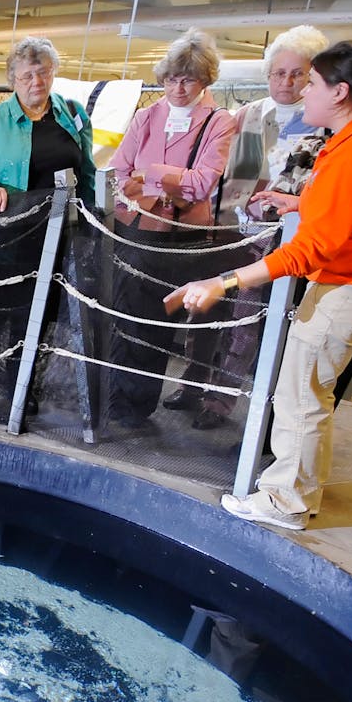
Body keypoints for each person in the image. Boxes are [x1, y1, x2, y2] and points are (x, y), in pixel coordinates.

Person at [167, 37, 352, 530]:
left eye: (311, 82)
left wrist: (224, 281)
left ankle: (284, 502)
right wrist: (303, 204)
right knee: (309, 393)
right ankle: (298, 493)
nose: (301, 91)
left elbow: (311, 250)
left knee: (300, 396)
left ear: (341, 92)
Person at [166, 25, 330, 431]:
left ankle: (219, 401)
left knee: (246, 322)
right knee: (204, 312)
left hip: (278, 244)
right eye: (278, 72)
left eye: (297, 74)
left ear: (312, 78)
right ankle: (193, 382)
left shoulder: (326, 129)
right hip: (225, 232)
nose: (286, 82)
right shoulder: (248, 115)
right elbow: (221, 175)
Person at [0, 35, 95, 412]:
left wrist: (91, 223)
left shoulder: (72, 114)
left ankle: (22, 385)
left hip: (52, 241)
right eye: (28, 75)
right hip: (0, 243)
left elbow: (89, 174)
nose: (37, 82)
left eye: (44, 73)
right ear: (13, 80)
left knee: (35, 317)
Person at [107, 28, 238, 427]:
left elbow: (201, 183)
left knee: (159, 327)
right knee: (126, 320)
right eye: (170, 79)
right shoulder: (147, 116)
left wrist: (147, 176)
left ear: (204, 81)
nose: (177, 88)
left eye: (188, 79)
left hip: (182, 241)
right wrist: (165, 184)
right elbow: (118, 172)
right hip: (135, 233)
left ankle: (140, 405)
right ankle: (119, 402)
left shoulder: (219, 122)